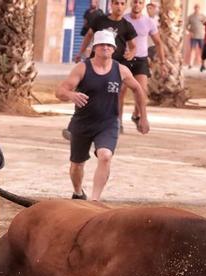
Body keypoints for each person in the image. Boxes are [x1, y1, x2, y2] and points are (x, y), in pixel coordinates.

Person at [56, 30, 149, 202]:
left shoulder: (121, 70)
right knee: (77, 164)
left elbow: (138, 89)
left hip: (108, 123)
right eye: (101, 45)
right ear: (94, 48)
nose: (105, 48)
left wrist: (143, 116)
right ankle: (78, 192)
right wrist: (71, 95)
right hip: (82, 123)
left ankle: (94, 201)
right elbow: (60, 91)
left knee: (105, 156)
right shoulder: (82, 68)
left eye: (108, 45)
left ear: (114, 49)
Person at [72, 0, 137, 135]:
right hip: (95, 63)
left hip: (115, 65)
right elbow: (89, 35)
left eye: (122, 4)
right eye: (116, 3)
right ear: (111, 5)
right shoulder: (99, 20)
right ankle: (76, 124)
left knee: (118, 94)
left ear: (125, 6)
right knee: (85, 93)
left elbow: (133, 46)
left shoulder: (127, 26)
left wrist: (131, 53)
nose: (119, 7)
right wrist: (80, 52)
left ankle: (116, 122)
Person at [123, 0, 166, 126]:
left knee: (142, 91)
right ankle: (117, 122)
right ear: (131, 4)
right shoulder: (124, 20)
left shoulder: (149, 22)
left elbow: (158, 42)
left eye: (140, 2)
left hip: (141, 60)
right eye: (135, 2)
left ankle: (136, 115)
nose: (137, 5)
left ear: (143, 5)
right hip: (124, 59)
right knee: (121, 91)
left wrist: (163, 63)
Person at [186, 4, 205, 69]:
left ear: (199, 9)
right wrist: (190, 32)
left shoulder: (202, 16)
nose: (197, 9)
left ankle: (203, 64)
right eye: (196, 8)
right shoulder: (190, 17)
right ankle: (190, 64)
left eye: (198, 8)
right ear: (194, 8)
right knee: (192, 50)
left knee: (202, 50)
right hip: (193, 36)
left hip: (201, 36)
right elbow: (186, 26)